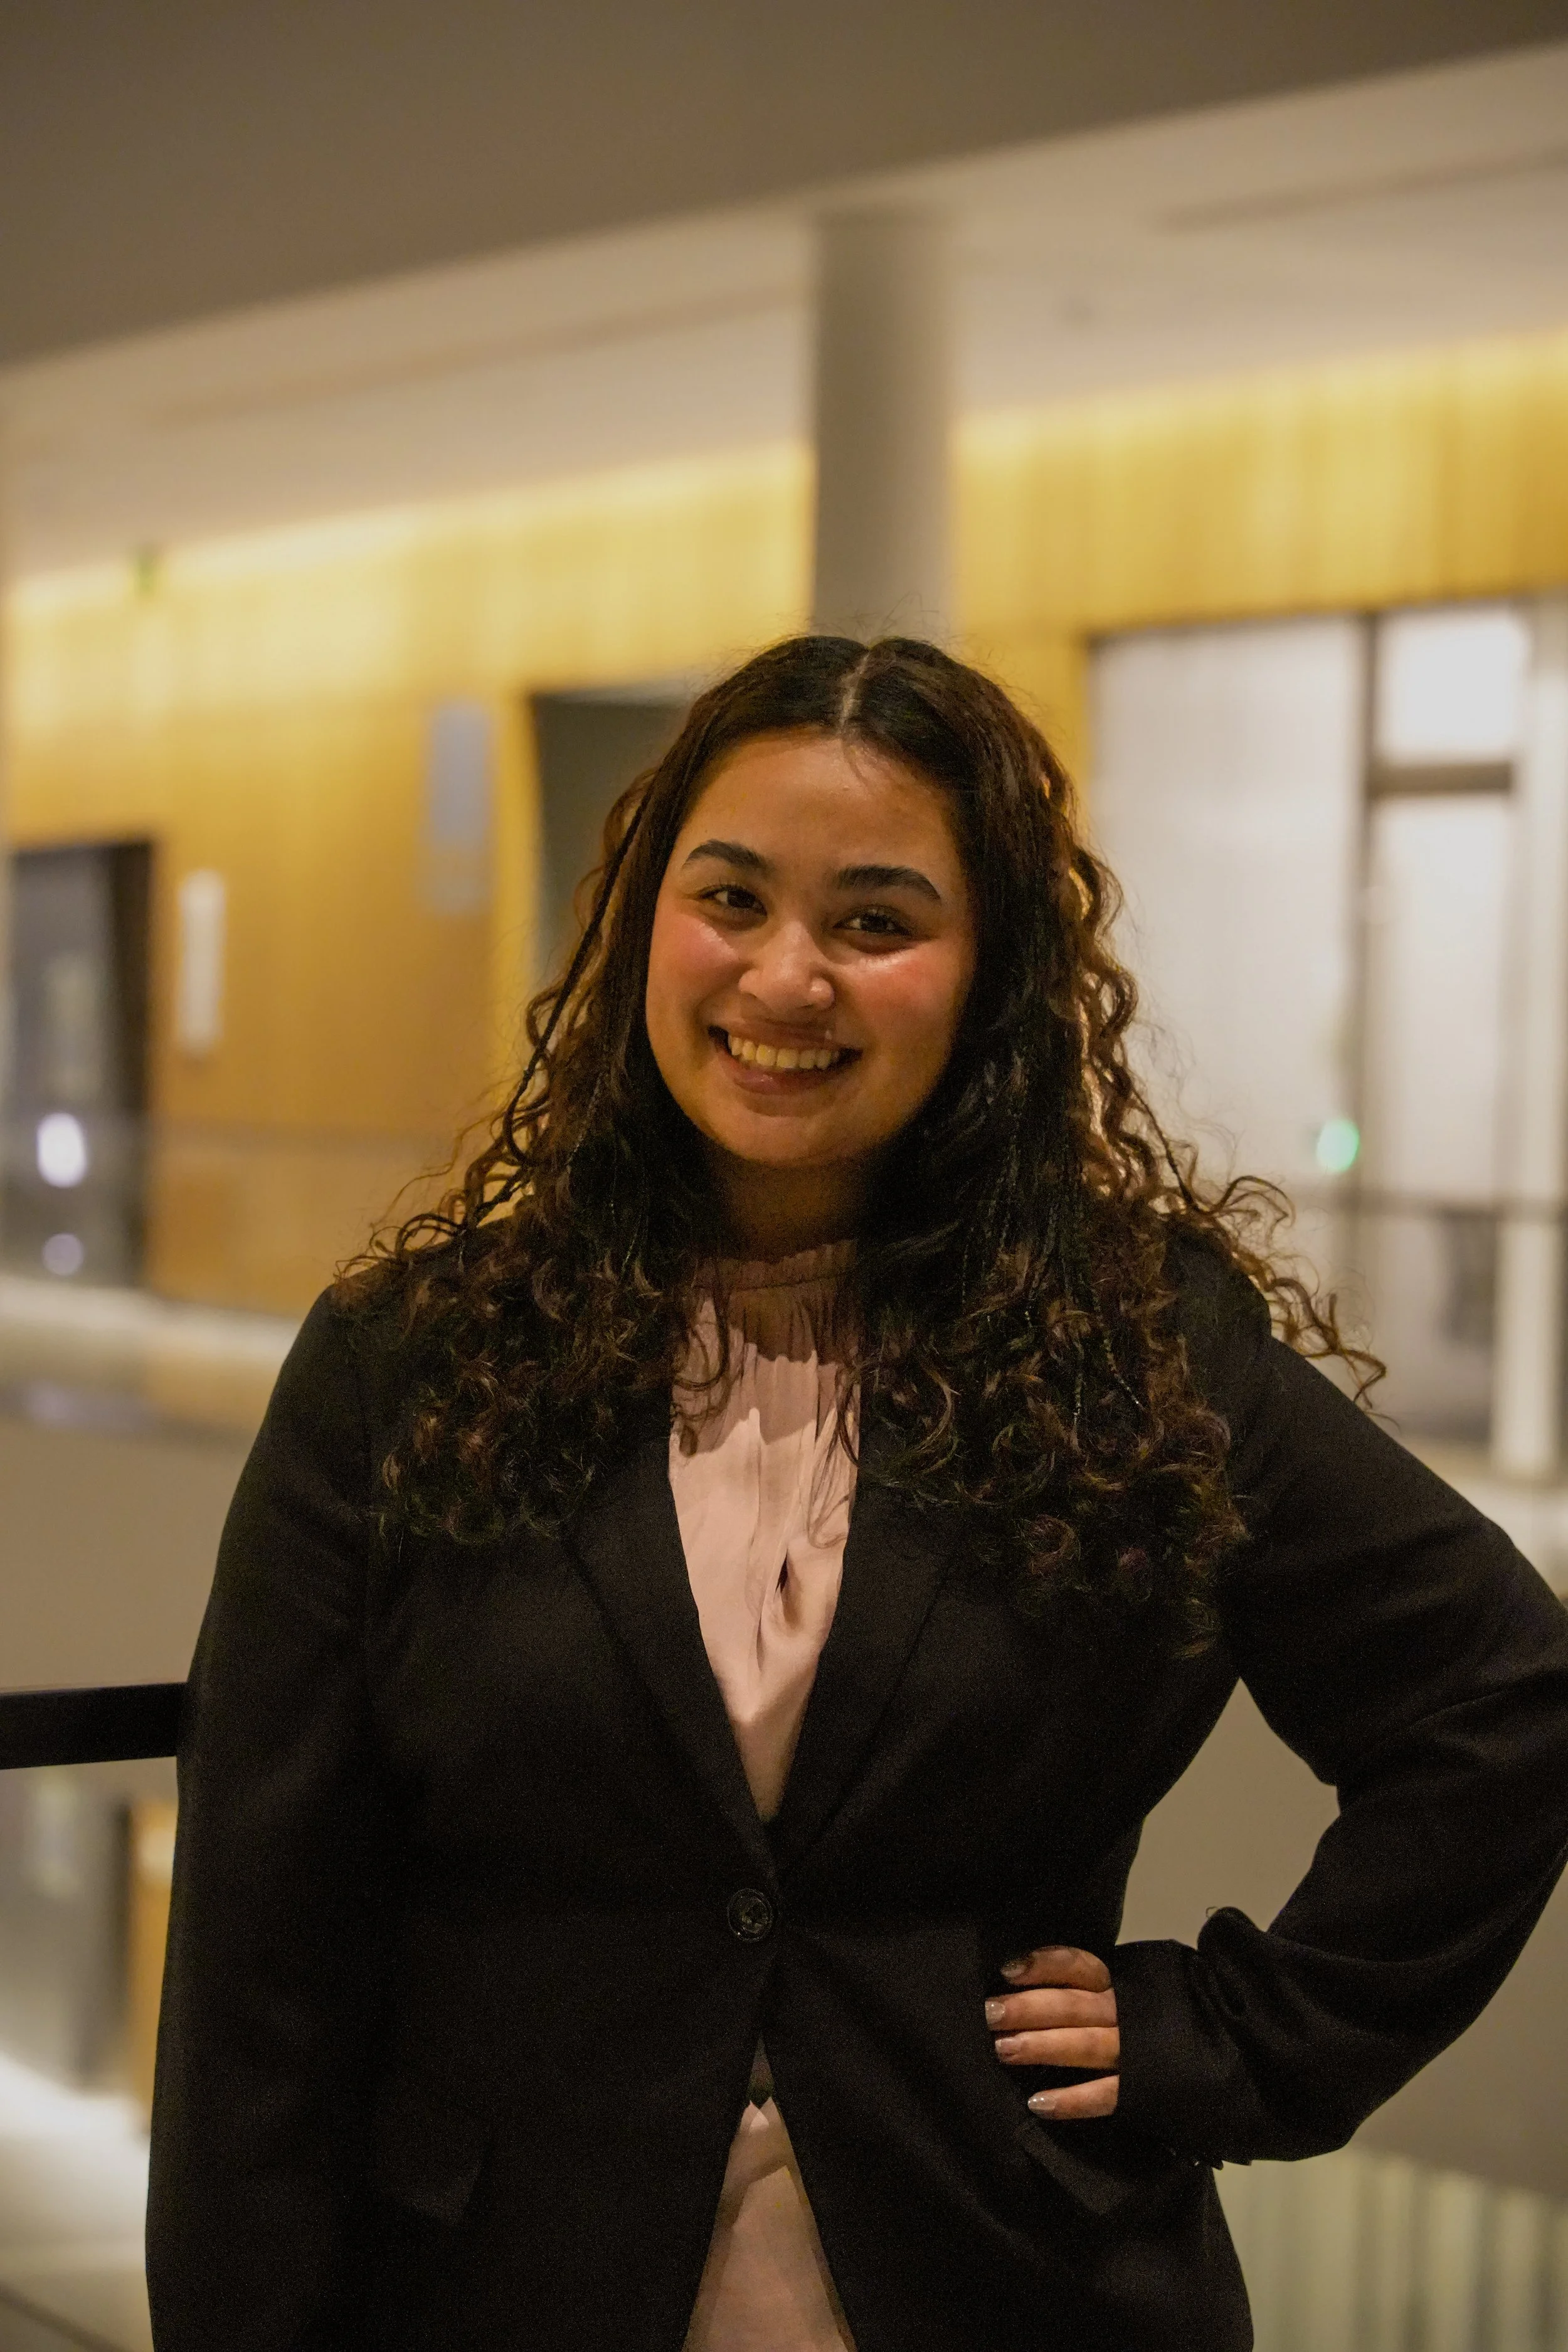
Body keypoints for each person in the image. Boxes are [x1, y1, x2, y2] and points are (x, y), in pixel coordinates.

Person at [147, 635, 1568, 2352]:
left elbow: (1501, 1698)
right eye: (730, 897)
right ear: (639, 925)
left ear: (987, 975)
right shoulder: (408, 1363)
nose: (785, 975)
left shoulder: (1131, 1346)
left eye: (876, 921)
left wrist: (1236, 2035)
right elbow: (258, 1979)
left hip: (1013, 2283)